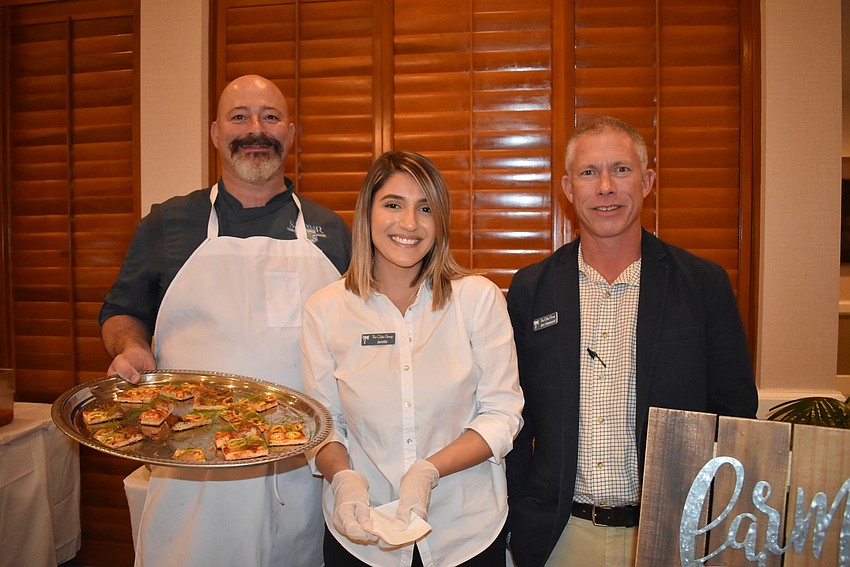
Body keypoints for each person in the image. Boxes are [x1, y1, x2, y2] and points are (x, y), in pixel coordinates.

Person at [99, 74, 351, 567]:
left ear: (291, 133)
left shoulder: (333, 231)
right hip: (193, 469)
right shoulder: (167, 223)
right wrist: (131, 346)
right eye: (240, 117)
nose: (255, 129)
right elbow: (121, 311)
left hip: (301, 467)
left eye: (270, 117)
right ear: (215, 133)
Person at [504, 116, 758, 567]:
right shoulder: (530, 289)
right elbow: (513, 418)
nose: (605, 187)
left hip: (670, 534)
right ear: (567, 186)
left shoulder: (702, 285)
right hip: (560, 538)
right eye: (589, 173)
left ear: (647, 181)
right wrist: (515, 516)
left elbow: (735, 416)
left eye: (621, 169)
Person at [300, 151, 524, 566]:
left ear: (440, 222)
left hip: (464, 533)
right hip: (361, 538)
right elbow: (324, 423)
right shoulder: (325, 310)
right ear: (367, 213)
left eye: (425, 208)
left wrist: (429, 470)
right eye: (392, 205)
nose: (409, 223)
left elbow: (502, 413)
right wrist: (344, 478)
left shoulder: (477, 300)